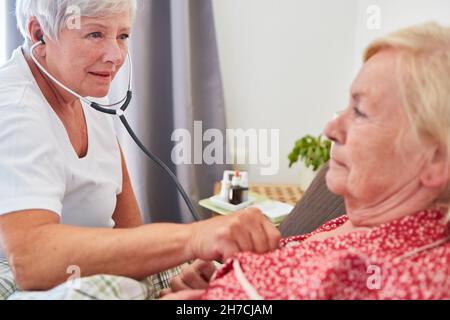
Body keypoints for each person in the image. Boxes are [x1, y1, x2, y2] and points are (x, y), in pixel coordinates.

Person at [0, 0, 280, 297]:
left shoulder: (86, 99)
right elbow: (31, 260)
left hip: (89, 275)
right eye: (95, 34)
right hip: (18, 281)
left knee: (221, 277)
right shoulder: (14, 109)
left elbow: (129, 234)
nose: (115, 56)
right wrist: (193, 237)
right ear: (39, 34)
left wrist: (178, 278)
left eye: (122, 36)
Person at [163, 22, 450, 300]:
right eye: (347, 107)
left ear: (435, 160)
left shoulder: (406, 275)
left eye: (360, 112)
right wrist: (222, 280)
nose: (331, 129)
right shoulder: (361, 220)